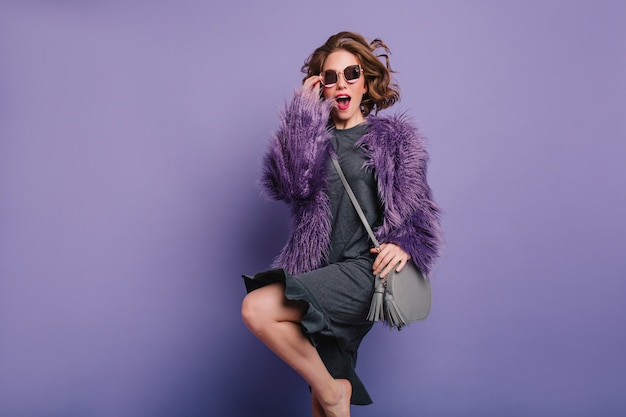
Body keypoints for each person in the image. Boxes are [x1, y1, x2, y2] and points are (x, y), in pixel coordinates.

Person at [241, 31, 442, 417]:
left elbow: (419, 214)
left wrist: (405, 243)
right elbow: (291, 186)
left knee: (258, 309)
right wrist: (303, 114)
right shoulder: (314, 140)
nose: (341, 84)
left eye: (351, 73)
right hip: (321, 271)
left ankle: (335, 391)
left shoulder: (396, 141)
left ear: (366, 80)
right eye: (330, 77)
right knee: (325, 405)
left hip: (365, 273)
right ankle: (334, 393)